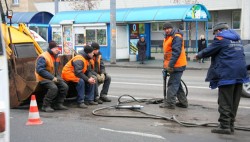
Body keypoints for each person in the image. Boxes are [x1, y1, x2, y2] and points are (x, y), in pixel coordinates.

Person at [196, 23, 249, 135]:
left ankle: (224, 126)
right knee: (234, 101)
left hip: (227, 73)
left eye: (214, 33)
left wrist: (198, 55)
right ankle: (231, 125)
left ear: (219, 31)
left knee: (225, 100)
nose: (214, 35)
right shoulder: (237, 39)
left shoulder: (221, 38)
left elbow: (208, 50)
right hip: (240, 73)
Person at [159, 22, 188, 109]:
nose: (166, 30)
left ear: (171, 28)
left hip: (177, 64)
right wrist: (166, 66)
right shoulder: (168, 37)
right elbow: (167, 53)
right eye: (165, 29)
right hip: (173, 64)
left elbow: (176, 53)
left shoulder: (176, 37)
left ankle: (170, 103)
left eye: (168, 28)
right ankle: (183, 102)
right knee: (177, 84)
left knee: (172, 84)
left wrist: (170, 66)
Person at [35, 41, 68, 112]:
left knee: (64, 86)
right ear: (51, 48)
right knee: (53, 88)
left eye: (58, 48)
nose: (57, 49)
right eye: (55, 48)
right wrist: (52, 78)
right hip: (43, 78)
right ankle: (45, 105)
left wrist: (58, 78)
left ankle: (58, 104)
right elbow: (40, 70)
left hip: (53, 77)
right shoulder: (43, 57)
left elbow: (55, 70)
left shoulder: (56, 57)